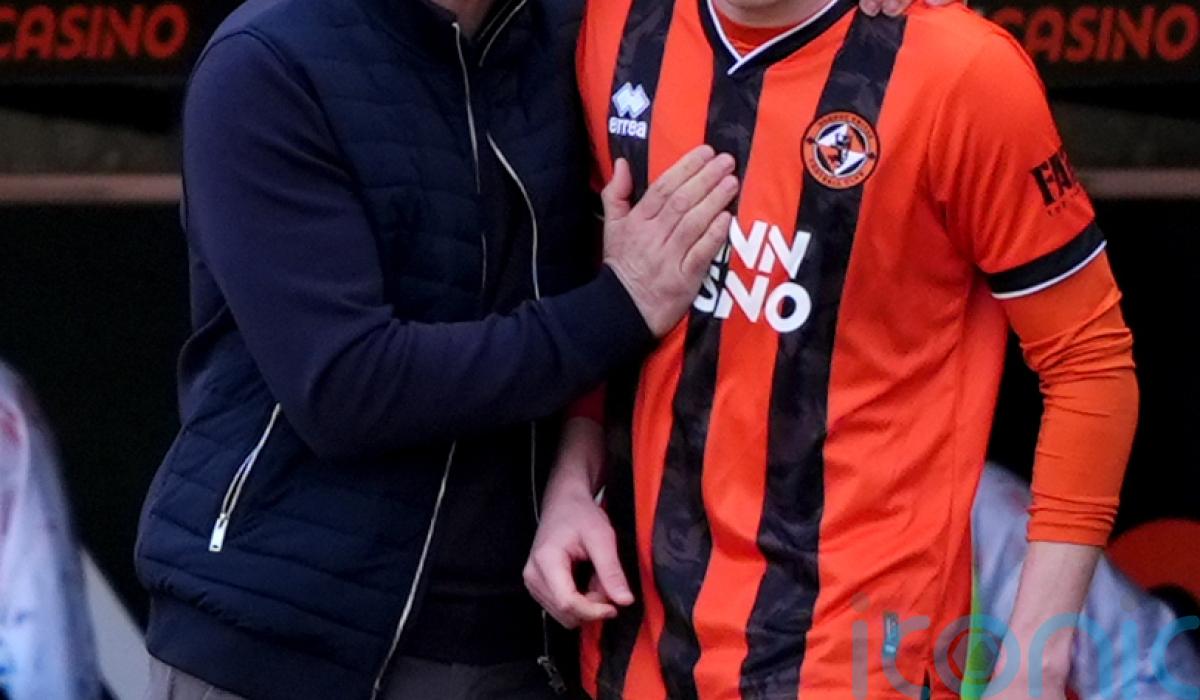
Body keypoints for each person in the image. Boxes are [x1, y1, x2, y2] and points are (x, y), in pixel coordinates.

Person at [524, 0, 1140, 699]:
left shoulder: (959, 71)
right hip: (632, 653)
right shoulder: (617, 25)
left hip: (856, 660)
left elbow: (1089, 363)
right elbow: (607, 286)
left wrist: (1037, 660)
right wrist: (572, 477)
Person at [131, 0, 743, 696]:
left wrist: (576, 473)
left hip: (521, 633)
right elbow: (346, 386)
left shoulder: (583, 34)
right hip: (280, 636)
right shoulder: (268, 58)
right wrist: (620, 304)